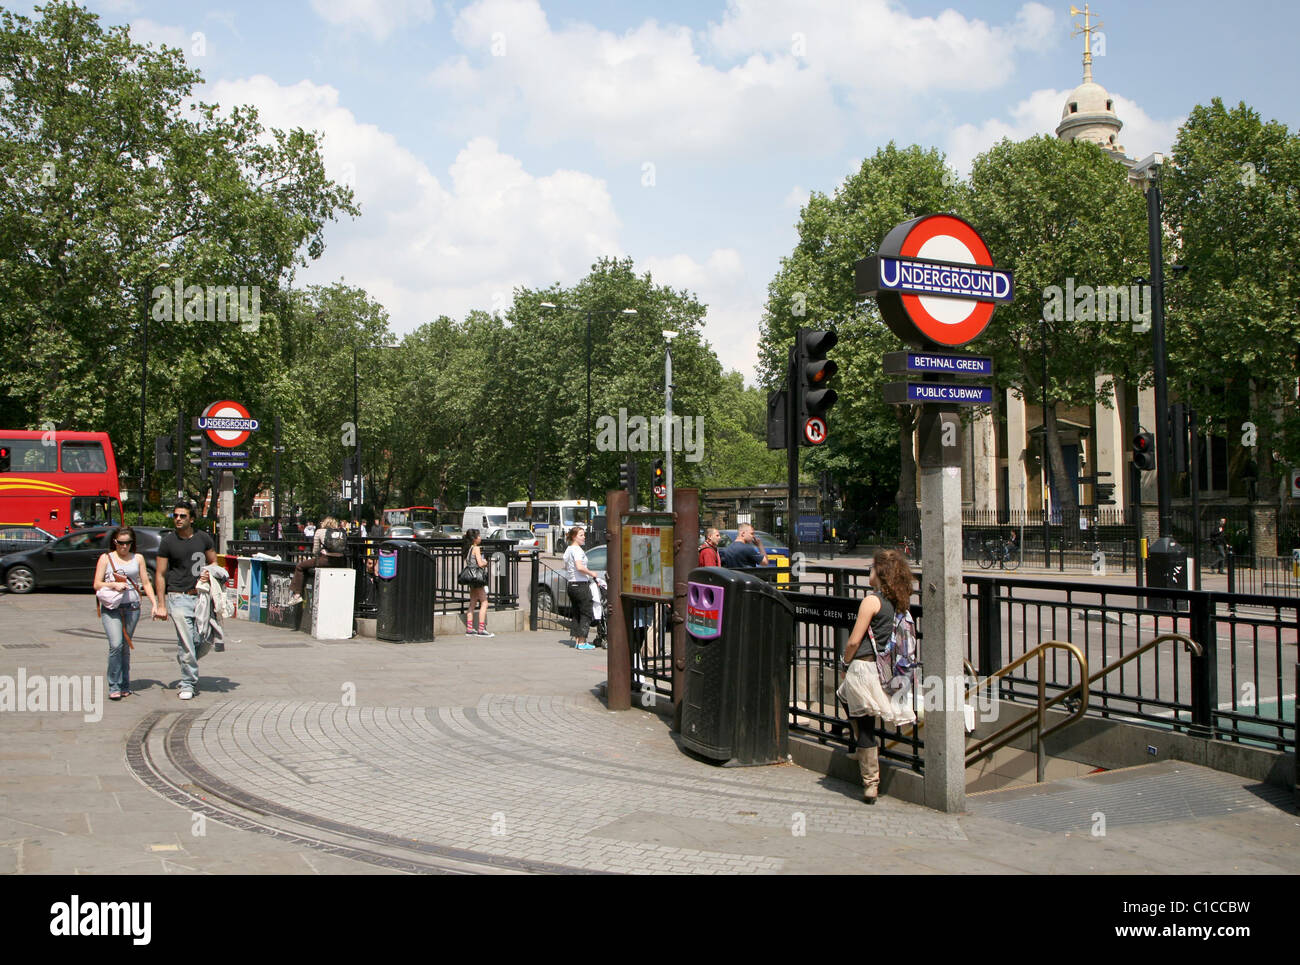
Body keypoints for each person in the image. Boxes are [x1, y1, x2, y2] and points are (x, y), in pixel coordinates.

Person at [836, 549, 917, 804]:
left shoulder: (871, 601)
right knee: (858, 709)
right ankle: (862, 751)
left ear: (880, 574)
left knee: (862, 719)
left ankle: (870, 780)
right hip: (886, 671)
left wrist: (844, 662)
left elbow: (853, 640)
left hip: (863, 668)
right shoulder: (900, 602)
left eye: (871, 568)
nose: (868, 572)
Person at [153, 500, 218, 700]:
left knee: (205, 640)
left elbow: (214, 561)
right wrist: (161, 604)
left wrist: (209, 573)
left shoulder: (203, 538)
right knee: (187, 641)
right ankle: (187, 683)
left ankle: (185, 659)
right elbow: (160, 573)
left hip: (200, 597)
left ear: (192, 519)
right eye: (175, 515)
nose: (178, 519)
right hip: (177, 596)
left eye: (182, 516)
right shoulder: (168, 542)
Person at [93, 526, 159, 701]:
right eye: (120, 543)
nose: (124, 547)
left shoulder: (138, 558)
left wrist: (155, 604)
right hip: (111, 607)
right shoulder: (106, 558)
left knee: (124, 647)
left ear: (132, 543)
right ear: (115, 542)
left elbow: (145, 582)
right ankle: (114, 685)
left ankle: (124, 685)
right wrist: (113, 585)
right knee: (115, 644)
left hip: (132, 607)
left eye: (127, 543)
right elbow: (96, 584)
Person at [289, 515, 346, 604]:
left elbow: (315, 551)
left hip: (326, 560)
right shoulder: (341, 532)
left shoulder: (320, 531)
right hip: (341, 561)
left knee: (300, 566)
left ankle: (297, 595)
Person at [562, 526, 598, 650]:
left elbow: (566, 567)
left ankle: (577, 640)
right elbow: (579, 566)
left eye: (584, 535)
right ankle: (582, 642)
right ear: (574, 537)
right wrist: (591, 573)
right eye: (581, 535)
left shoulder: (568, 550)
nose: (584, 537)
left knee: (577, 612)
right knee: (586, 612)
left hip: (571, 584)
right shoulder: (577, 550)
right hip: (581, 584)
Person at [462, 529, 493, 637]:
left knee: (472, 603)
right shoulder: (476, 548)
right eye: (479, 536)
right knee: (484, 602)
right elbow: (480, 563)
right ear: (474, 539)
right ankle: (481, 629)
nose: (480, 538)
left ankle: (469, 629)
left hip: (471, 578)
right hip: (478, 579)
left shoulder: (469, 549)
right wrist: (486, 563)